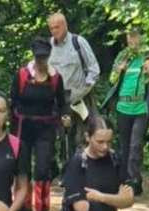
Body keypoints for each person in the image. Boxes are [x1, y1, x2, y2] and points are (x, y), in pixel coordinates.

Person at [9, 36, 68, 211]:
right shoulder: (22, 75)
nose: (41, 61)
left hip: (46, 129)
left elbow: (61, 103)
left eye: (44, 57)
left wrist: (64, 117)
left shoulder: (55, 78)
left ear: (49, 56)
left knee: (43, 171)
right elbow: (12, 102)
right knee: (23, 171)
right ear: (34, 56)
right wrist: (11, 133)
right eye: (38, 57)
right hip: (23, 128)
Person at [106, 27, 149, 194]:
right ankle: (126, 180)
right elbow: (112, 80)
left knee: (136, 145)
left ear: (141, 38)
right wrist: (119, 70)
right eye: (129, 36)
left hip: (140, 107)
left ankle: (134, 179)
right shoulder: (123, 56)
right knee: (124, 145)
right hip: (123, 107)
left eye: (134, 36)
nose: (131, 40)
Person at [46, 12, 100, 162]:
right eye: (51, 28)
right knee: (63, 136)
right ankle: (66, 170)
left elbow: (94, 68)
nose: (54, 31)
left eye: (56, 27)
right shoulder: (48, 45)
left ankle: (87, 167)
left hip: (80, 96)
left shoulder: (78, 42)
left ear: (64, 25)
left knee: (83, 135)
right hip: (58, 98)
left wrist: (84, 89)